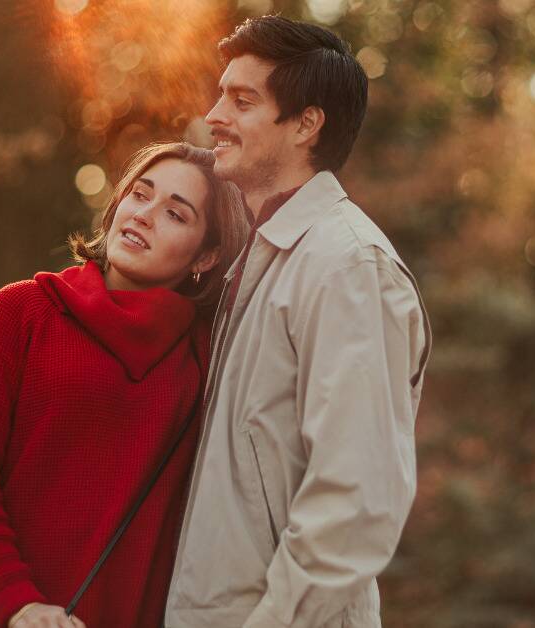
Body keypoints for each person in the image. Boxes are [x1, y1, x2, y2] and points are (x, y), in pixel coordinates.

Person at [165, 15, 432, 628]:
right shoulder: (259, 260)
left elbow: (355, 503)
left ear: (307, 123)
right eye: (219, 94)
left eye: (242, 100)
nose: (213, 115)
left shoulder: (347, 266)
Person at [0, 142, 249, 628]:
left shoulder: (210, 359)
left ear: (206, 255)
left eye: (175, 215)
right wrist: (20, 603)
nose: (144, 215)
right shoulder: (20, 313)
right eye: (139, 195)